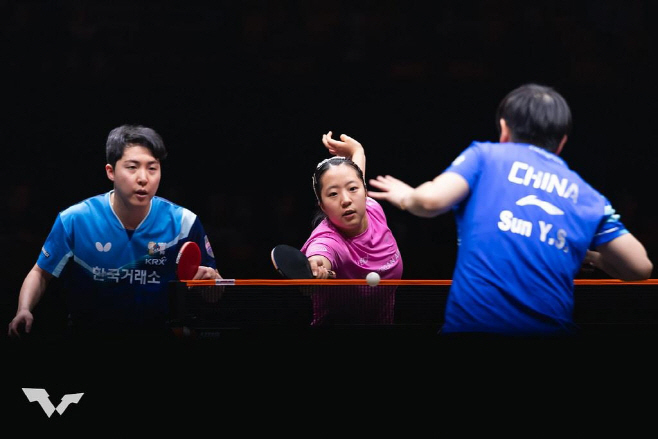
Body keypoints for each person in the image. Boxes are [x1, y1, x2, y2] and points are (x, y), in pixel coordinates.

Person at [368, 83, 653, 337]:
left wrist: (406, 196)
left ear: (504, 129)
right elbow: (640, 268)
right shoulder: (588, 196)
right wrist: (592, 257)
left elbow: (430, 202)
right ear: (562, 142)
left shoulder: (485, 156)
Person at [7, 124, 222, 340]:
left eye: (152, 168)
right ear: (111, 171)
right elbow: (40, 273)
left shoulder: (184, 223)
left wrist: (213, 284)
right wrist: (23, 309)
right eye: (132, 167)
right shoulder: (75, 219)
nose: (143, 178)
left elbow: (214, 292)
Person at [300, 131, 403, 325]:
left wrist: (358, 151)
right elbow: (320, 255)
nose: (346, 200)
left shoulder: (372, 207)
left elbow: (353, 180)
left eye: (353, 189)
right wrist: (315, 267)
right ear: (322, 206)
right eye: (333, 194)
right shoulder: (328, 241)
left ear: (364, 192)